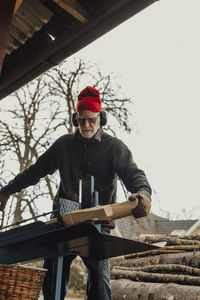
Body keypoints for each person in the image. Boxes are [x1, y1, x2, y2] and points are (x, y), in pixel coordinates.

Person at [0, 86, 151, 300]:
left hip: (98, 223)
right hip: (63, 220)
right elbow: (35, 172)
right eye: (81, 120)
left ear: (101, 118)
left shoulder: (114, 148)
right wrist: (6, 191)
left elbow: (134, 175)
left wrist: (143, 194)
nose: (86, 125)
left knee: (100, 282)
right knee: (52, 275)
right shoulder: (63, 145)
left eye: (91, 120)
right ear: (75, 119)